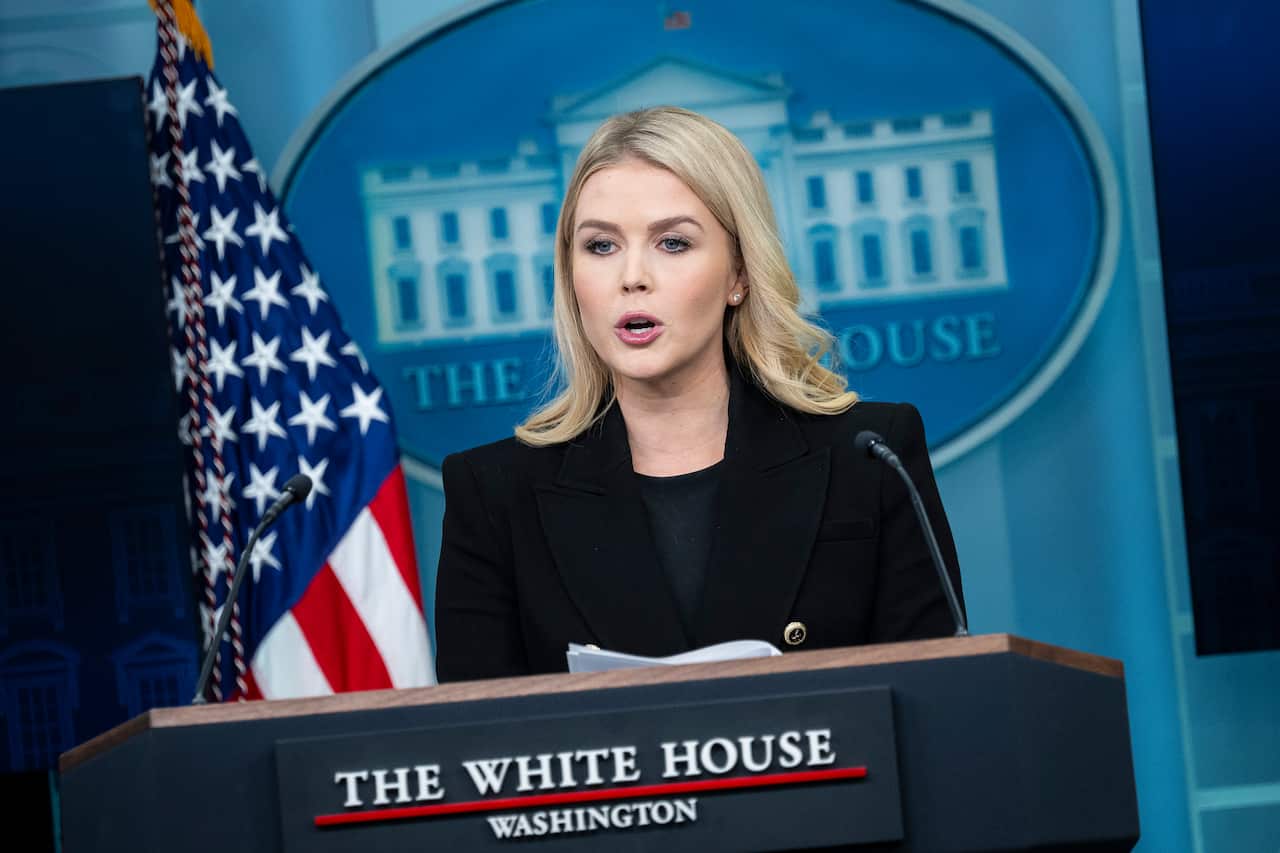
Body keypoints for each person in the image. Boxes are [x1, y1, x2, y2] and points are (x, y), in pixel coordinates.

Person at [434, 106, 963, 682]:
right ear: (571, 276)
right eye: (601, 247)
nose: (632, 276)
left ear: (740, 273)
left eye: (673, 243)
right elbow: (479, 745)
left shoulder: (870, 456)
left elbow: (937, 706)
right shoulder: (493, 494)